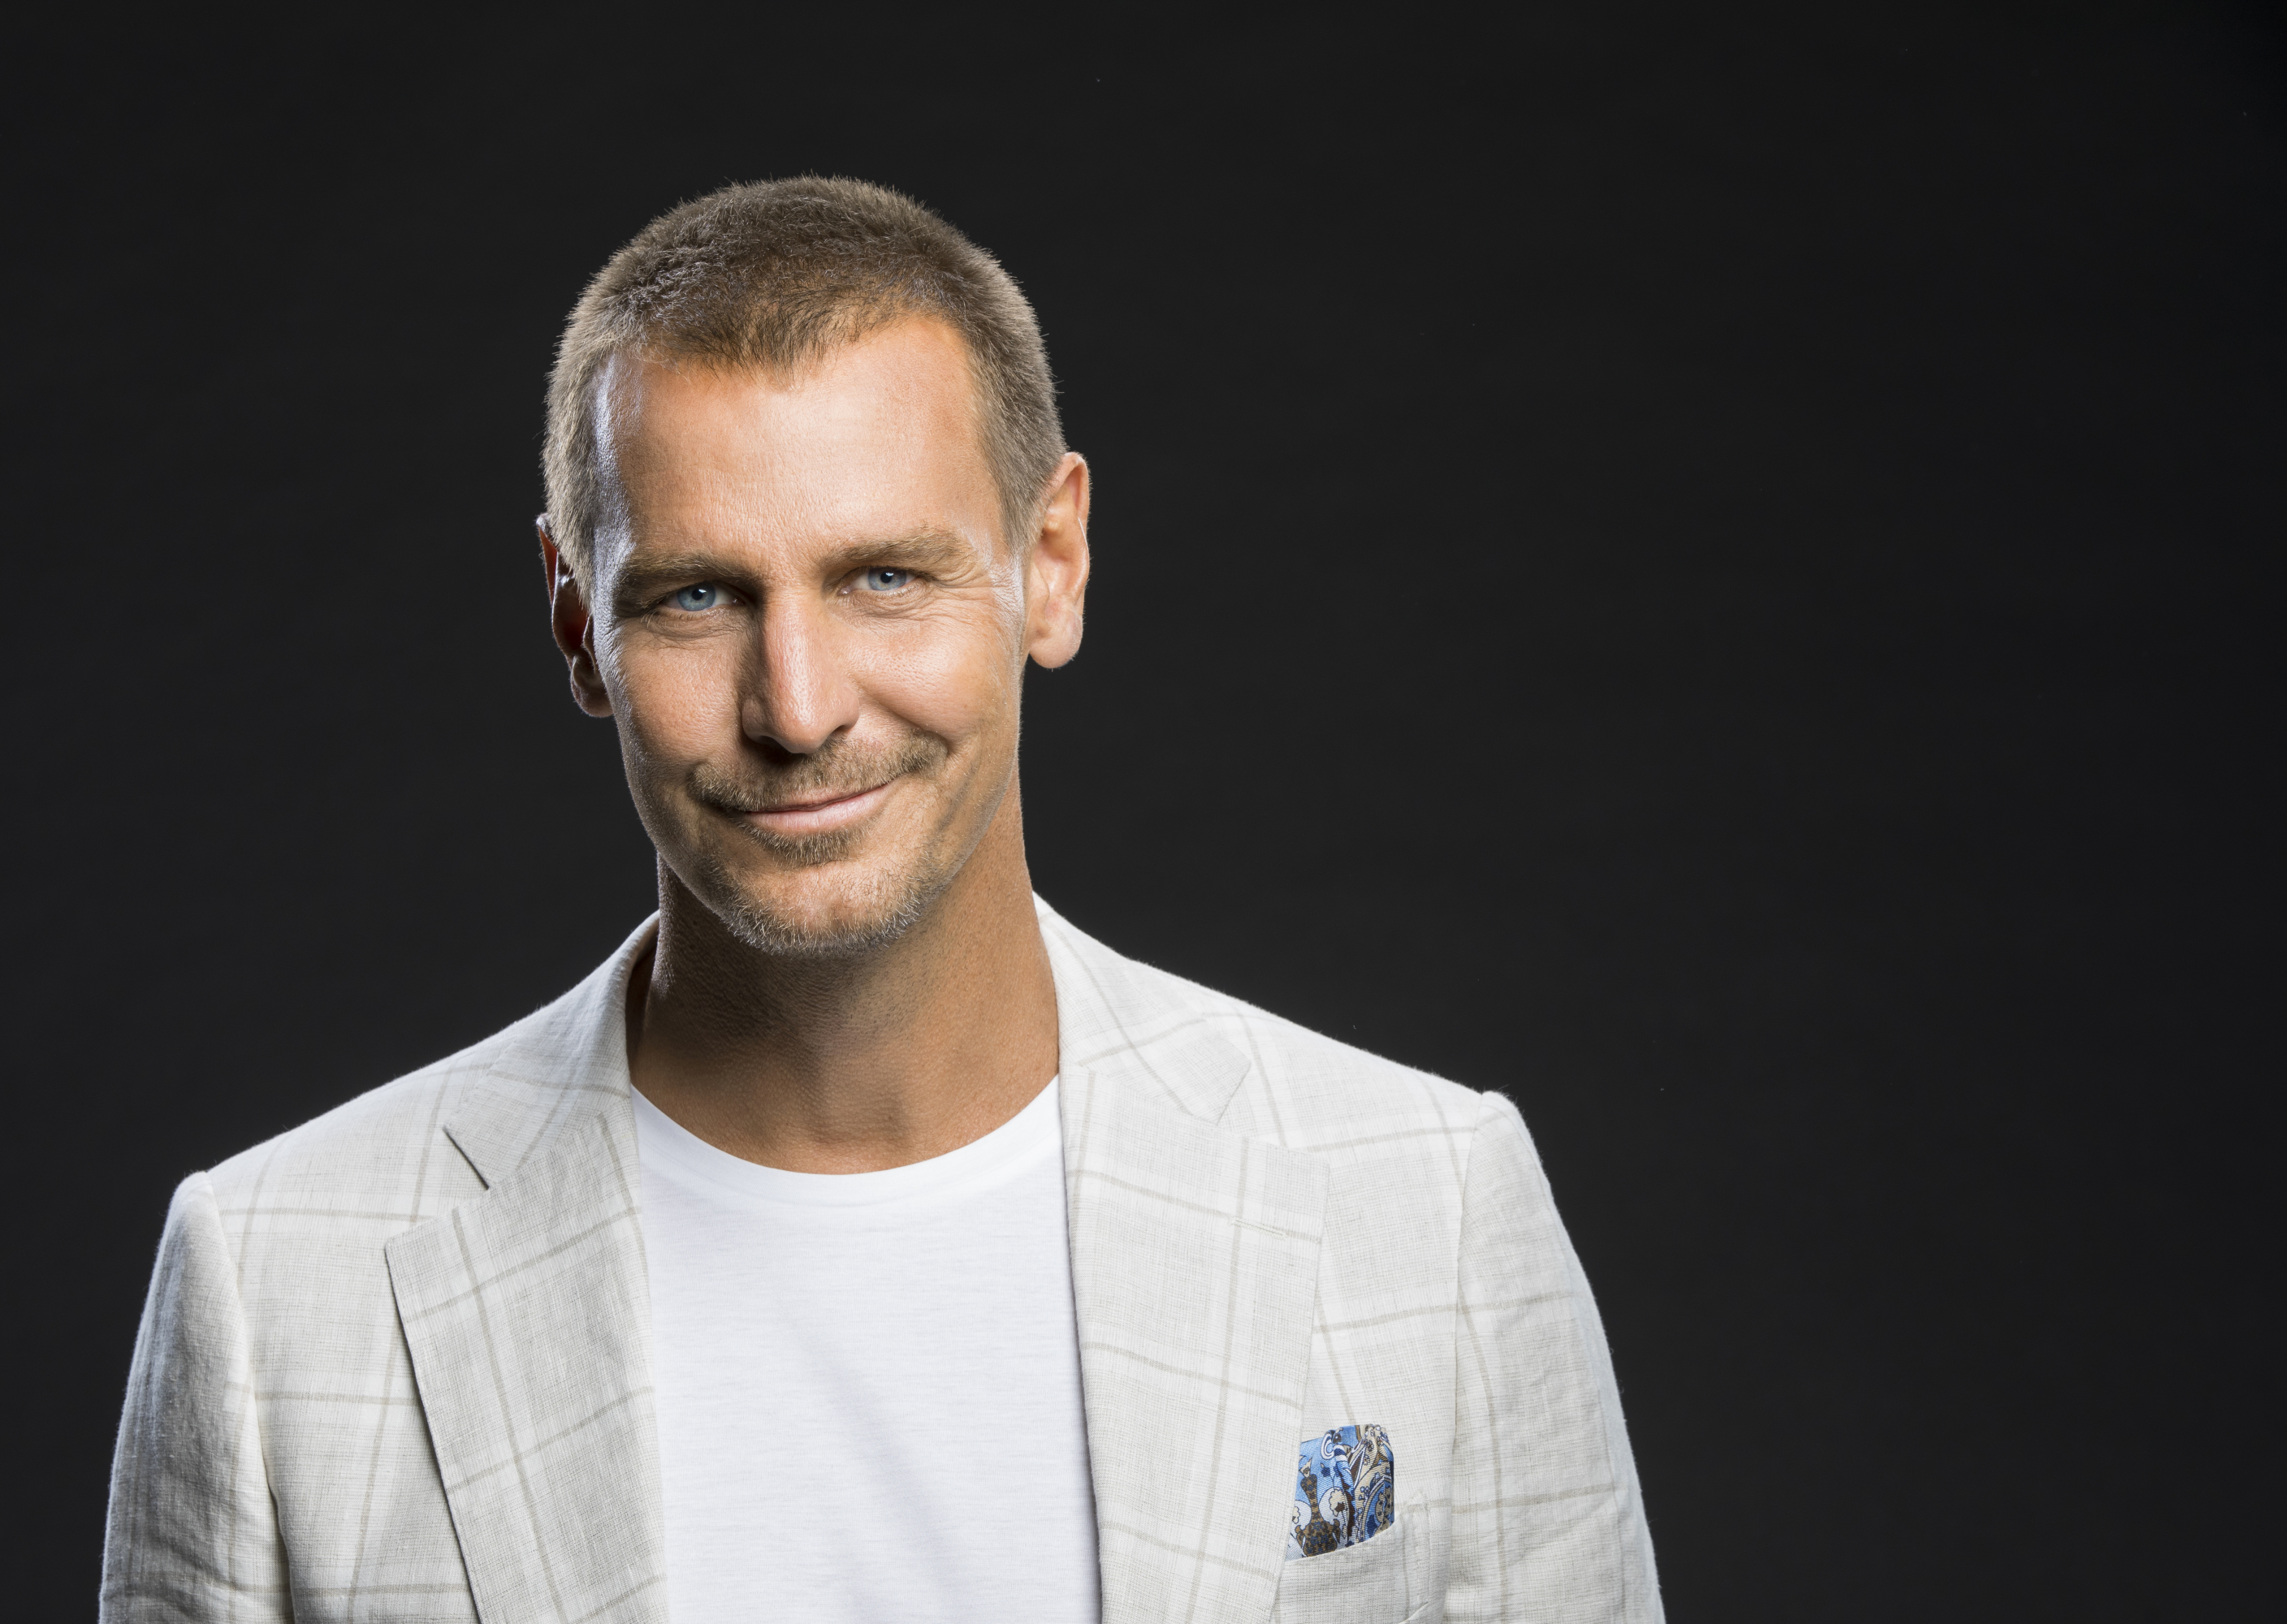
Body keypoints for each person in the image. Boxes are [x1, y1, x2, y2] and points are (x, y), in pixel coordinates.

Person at [100, 175, 1661, 1624]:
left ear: (1049, 562)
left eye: (885, 580)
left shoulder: (1430, 1208)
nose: (799, 705)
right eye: (697, 594)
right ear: (579, 626)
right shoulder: (277, 1289)